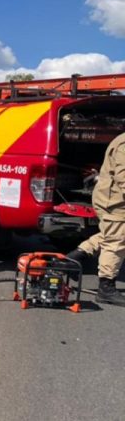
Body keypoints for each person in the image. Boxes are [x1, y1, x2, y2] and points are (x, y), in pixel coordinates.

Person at [66, 131, 125, 306]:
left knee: (114, 234)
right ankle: (106, 287)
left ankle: (75, 257)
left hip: (116, 200)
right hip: (113, 202)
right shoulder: (123, 144)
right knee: (116, 239)